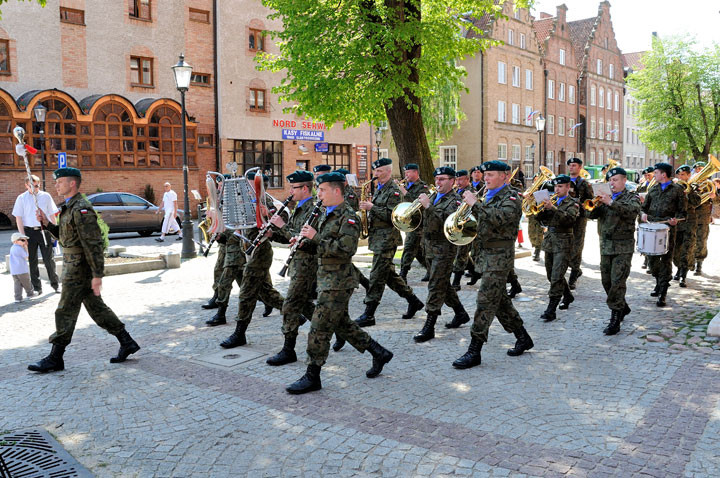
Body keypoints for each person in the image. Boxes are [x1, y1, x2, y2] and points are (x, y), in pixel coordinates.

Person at [286, 172, 393, 394]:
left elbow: (345, 250)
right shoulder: (326, 212)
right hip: (325, 278)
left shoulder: (348, 217)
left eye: (322, 190)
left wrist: (315, 237)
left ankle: (312, 375)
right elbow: (322, 245)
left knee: (319, 327)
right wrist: (304, 242)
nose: (319, 194)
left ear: (336, 191)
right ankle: (378, 352)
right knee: (342, 324)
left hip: (338, 282)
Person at [29, 167, 140, 373]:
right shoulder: (69, 207)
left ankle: (55, 357)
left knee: (65, 310)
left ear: (72, 183)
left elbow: (93, 244)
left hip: (78, 269)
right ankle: (127, 342)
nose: (56, 185)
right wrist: (47, 224)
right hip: (74, 265)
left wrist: (98, 275)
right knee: (97, 309)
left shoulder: (82, 208)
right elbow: (66, 239)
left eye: (60, 182)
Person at [452, 161, 533, 369]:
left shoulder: (512, 197)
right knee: (500, 302)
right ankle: (523, 337)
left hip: (499, 257)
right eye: (485, 174)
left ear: (504, 176)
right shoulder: (484, 194)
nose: (486, 178)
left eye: (491, 175)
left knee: (485, 301)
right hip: (483, 255)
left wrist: (474, 205)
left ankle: (474, 350)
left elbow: (499, 219)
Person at [219, 172, 286, 347]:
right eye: (247, 186)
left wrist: (268, 220)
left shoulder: (269, 205)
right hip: (247, 251)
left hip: (261, 252)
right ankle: (296, 312)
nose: (248, 190)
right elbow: (236, 228)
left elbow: (282, 232)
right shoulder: (246, 203)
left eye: (251, 186)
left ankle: (239, 334)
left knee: (246, 293)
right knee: (266, 293)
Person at [356, 158, 424, 327]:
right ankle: (413, 301)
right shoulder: (381, 188)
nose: (375, 174)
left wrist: (372, 208)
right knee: (389, 277)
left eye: (379, 171)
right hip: (378, 238)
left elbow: (393, 216)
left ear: (387, 171)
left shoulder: (393, 190)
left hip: (387, 239)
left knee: (377, 275)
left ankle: (369, 314)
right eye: (375, 171)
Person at [265, 170, 318, 365]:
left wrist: (282, 226)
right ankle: (340, 330)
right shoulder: (299, 207)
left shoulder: (313, 208)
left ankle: (288, 350)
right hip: (298, 262)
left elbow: (302, 238)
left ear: (305, 188)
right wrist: (274, 234)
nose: (290, 191)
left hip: (307, 264)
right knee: (306, 307)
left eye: (293, 187)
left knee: (290, 306)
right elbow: (291, 238)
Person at [414, 166, 470, 341]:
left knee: (435, 285)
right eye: (437, 179)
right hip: (429, 247)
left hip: (444, 249)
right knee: (442, 283)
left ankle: (429, 325)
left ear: (452, 181)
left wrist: (428, 207)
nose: (438, 182)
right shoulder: (433, 196)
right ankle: (460, 313)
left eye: (443, 179)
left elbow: (449, 221)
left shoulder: (456, 201)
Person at [587, 167, 641, 335]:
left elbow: (632, 212)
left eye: (615, 180)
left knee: (617, 283)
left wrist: (611, 202)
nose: (612, 183)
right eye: (610, 180)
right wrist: (593, 203)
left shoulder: (631, 197)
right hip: (605, 246)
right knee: (606, 282)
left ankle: (615, 319)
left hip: (623, 247)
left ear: (624, 181)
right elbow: (590, 215)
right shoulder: (603, 198)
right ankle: (622, 307)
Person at [640, 162, 687, 307]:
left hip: (667, 229)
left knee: (666, 259)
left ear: (663, 174)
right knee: (652, 261)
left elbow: (683, 212)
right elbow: (643, 208)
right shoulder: (653, 189)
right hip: (652, 227)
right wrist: (642, 214)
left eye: (656, 173)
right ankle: (658, 282)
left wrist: (675, 220)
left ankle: (663, 292)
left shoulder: (678, 190)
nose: (654, 175)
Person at [535, 175, 580, 322]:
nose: (557, 189)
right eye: (555, 187)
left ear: (568, 187)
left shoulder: (573, 203)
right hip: (550, 241)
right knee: (551, 275)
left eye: (560, 186)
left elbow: (570, 220)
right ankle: (567, 295)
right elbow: (541, 220)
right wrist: (539, 208)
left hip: (564, 242)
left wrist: (553, 208)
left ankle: (551, 309)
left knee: (556, 276)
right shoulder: (551, 200)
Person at [12, 174, 60, 294]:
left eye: (37, 186)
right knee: (32, 261)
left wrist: (54, 233)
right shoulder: (21, 198)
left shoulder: (46, 196)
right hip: (29, 232)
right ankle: (37, 288)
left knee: (49, 259)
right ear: (26, 185)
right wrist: (22, 238)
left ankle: (55, 285)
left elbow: (52, 214)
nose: (34, 189)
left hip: (44, 230)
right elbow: (18, 218)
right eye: (31, 186)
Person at [397, 163, 429, 281]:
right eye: (405, 173)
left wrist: (404, 191)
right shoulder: (405, 185)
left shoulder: (423, 186)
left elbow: (418, 203)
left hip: (417, 222)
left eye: (408, 173)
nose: (406, 175)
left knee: (409, 246)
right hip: (407, 221)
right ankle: (430, 269)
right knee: (418, 250)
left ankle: (403, 274)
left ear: (416, 172)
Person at [565, 158, 594, 290]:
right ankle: (575, 269)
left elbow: (591, 201)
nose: (571, 167)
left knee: (577, 246)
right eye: (570, 165)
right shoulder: (564, 181)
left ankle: (573, 276)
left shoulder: (585, 184)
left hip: (579, 218)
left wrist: (583, 205)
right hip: (565, 217)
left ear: (580, 167)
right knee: (566, 246)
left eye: (574, 165)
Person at [671, 165, 700, 287]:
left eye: (683, 175)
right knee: (676, 249)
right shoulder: (673, 187)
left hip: (689, 221)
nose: (680, 177)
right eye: (679, 175)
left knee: (687, 248)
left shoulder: (694, 187)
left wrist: (689, 193)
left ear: (689, 175)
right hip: (677, 222)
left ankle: (683, 274)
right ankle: (678, 268)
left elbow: (697, 203)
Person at [450, 170, 475, 290]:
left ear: (467, 180)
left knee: (461, 253)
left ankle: (456, 282)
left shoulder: (472, 192)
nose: (458, 182)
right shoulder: (455, 191)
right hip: (455, 226)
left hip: (466, 227)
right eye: (457, 180)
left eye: (461, 180)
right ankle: (474, 271)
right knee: (461, 253)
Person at [691, 161, 714, 275]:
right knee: (690, 240)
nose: (699, 171)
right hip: (691, 216)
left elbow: (717, 201)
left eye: (701, 169)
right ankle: (690, 262)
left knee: (701, 241)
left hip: (703, 217)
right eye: (697, 169)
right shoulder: (691, 183)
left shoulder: (709, 184)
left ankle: (699, 263)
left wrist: (714, 197)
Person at [10, 232, 35, 303]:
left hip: (14, 270)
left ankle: (18, 298)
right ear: (15, 241)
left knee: (17, 284)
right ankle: (30, 294)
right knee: (26, 282)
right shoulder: (19, 248)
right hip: (22, 270)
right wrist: (26, 248)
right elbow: (26, 256)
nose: (25, 242)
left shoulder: (12, 248)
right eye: (23, 240)